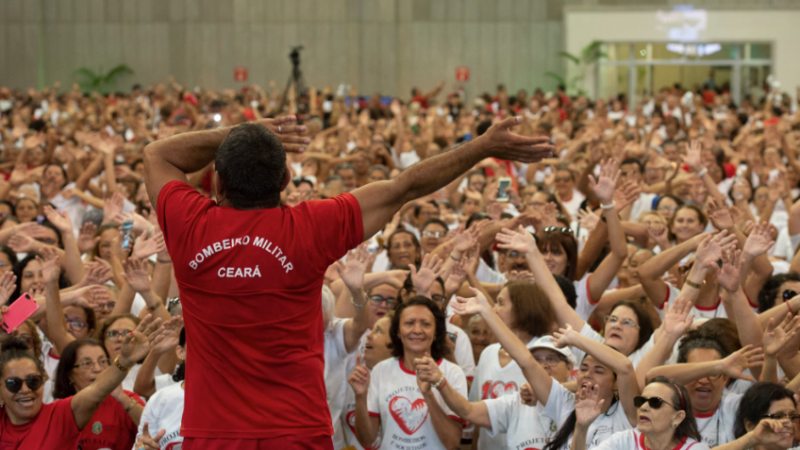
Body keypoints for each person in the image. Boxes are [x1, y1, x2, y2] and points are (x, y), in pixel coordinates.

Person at [144, 114, 553, 448]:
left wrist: (240, 134)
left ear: (215, 182)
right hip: (298, 431)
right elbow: (403, 187)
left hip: (213, 435)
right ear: (286, 182)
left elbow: (157, 154)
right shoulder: (311, 227)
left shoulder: (189, 224)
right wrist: (483, 146)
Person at [0, 312, 170, 449]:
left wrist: (124, 361)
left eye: (33, 381)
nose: (25, 389)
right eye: (13, 384)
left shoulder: (60, 415)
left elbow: (96, 391)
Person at [348, 296, 468, 450]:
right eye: (409, 323)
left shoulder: (453, 373)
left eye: (425, 324)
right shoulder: (381, 370)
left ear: (436, 331)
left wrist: (428, 395)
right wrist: (360, 397)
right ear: (398, 331)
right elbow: (367, 439)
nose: (417, 330)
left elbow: (453, 442)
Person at [573, 377, 707, 450]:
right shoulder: (624, 441)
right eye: (641, 401)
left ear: (678, 417)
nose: (644, 407)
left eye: (655, 402)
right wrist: (582, 427)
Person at [134, 327, 187, 450]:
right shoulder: (159, 399)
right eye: (198, 345)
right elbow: (141, 446)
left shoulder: (235, 399)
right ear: (181, 352)